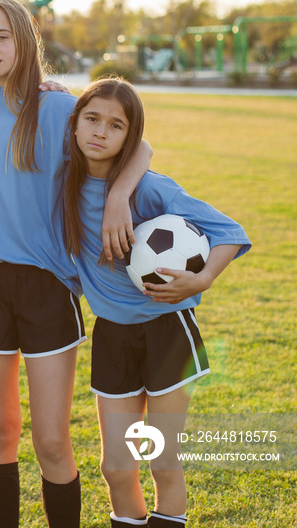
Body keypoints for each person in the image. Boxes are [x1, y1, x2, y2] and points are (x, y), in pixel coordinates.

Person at [0, 0, 153, 528]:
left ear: (24, 41)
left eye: (1, 36)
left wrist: (118, 197)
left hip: (47, 288)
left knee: (51, 439)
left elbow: (137, 145)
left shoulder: (58, 109)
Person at [62, 77, 251, 528]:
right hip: (112, 335)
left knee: (162, 461)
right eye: (91, 119)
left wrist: (199, 279)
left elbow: (230, 232)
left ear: (131, 136)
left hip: (167, 329)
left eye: (115, 126)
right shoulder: (64, 185)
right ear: (74, 125)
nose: (100, 133)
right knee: (116, 467)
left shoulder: (151, 189)